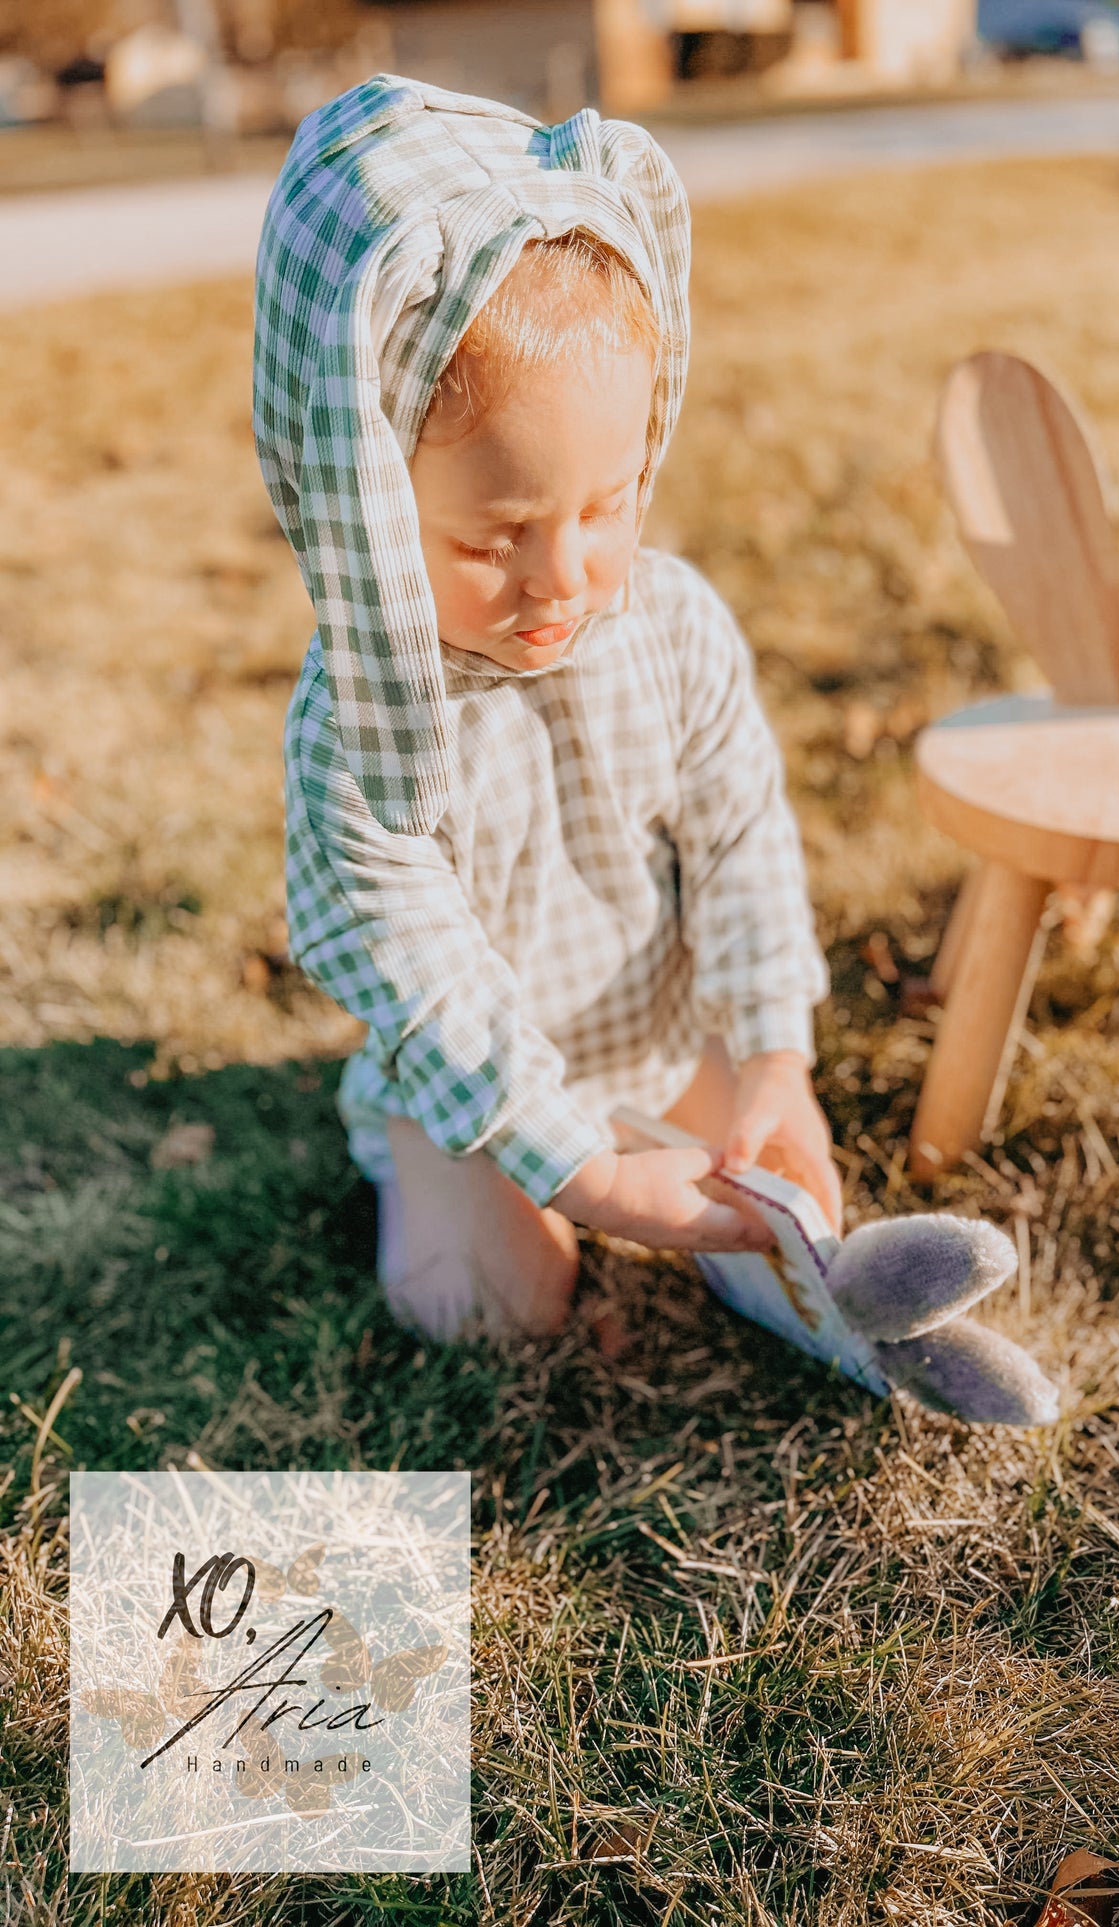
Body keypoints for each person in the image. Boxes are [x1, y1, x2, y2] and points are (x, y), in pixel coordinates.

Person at [255, 76, 838, 1348]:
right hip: (475, 1083)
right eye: (496, 534)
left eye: (606, 504)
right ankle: (452, 1176)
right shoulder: (363, 732)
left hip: (652, 1032)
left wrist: (771, 1053)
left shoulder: (671, 626)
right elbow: (434, 984)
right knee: (485, 1311)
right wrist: (585, 1172)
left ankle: (670, 1130)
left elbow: (742, 845)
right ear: (366, 501)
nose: (562, 575)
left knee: (782, 1191)